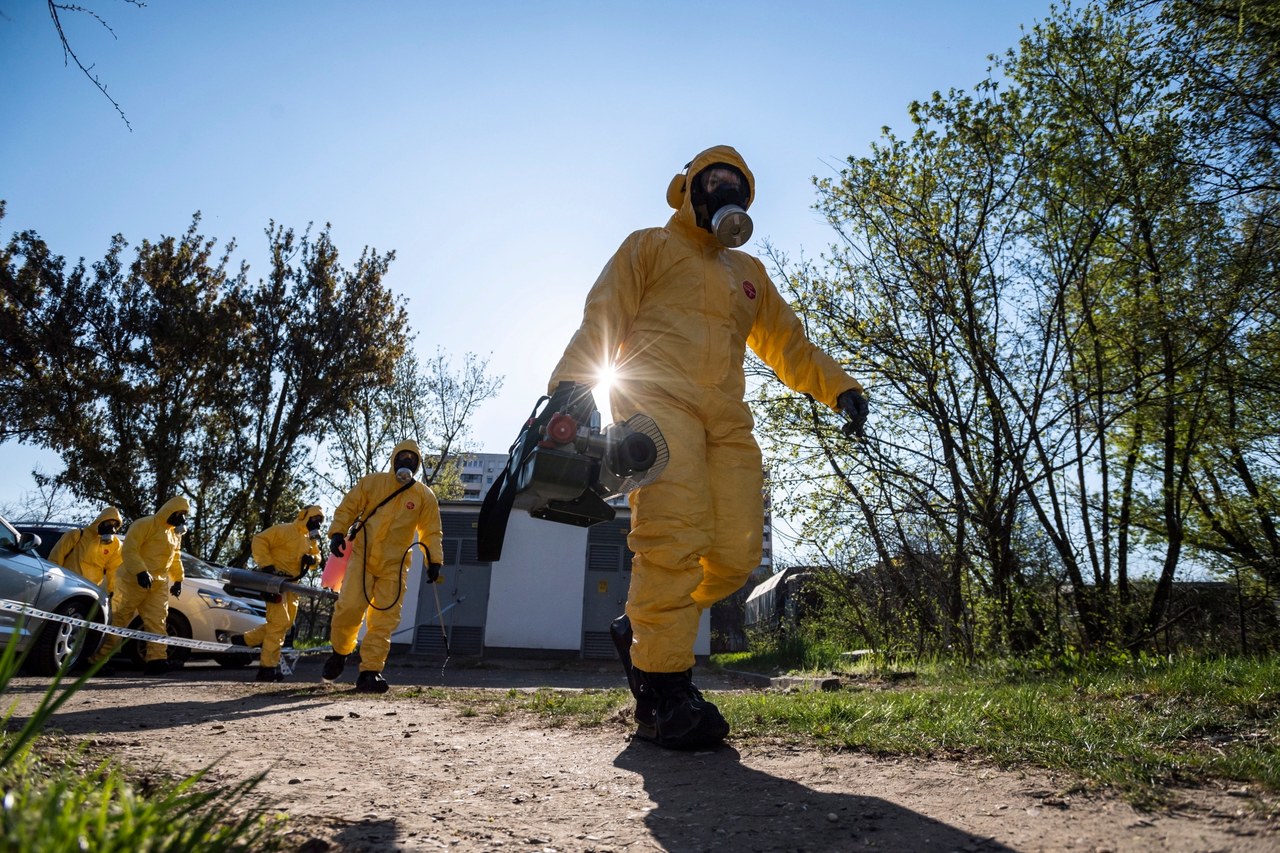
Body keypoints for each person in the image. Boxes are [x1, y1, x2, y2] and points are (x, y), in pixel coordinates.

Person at [548, 145, 868, 750]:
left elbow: (791, 348)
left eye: (738, 186)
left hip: (726, 418)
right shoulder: (648, 246)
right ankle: (663, 690)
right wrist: (572, 385)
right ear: (689, 189)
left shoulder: (749, 275)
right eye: (715, 180)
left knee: (738, 550)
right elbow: (604, 315)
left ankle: (641, 628)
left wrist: (840, 388)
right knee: (674, 536)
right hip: (652, 402)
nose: (727, 192)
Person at [323, 439, 444, 693]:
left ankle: (370, 672)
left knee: (384, 620)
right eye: (403, 456)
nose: (407, 461)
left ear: (418, 464)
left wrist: (434, 560)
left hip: (395, 565)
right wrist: (337, 533)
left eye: (413, 458)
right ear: (394, 458)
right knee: (350, 607)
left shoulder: (424, 496)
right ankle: (340, 652)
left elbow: (431, 531)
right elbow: (348, 507)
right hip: (362, 558)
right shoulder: (373, 483)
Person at [89, 495, 191, 675]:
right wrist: (140, 571)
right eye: (180, 513)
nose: (183, 518)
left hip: (157, 584)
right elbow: (130, 549)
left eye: (185, 514)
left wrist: (179, 579)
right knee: (118, 619)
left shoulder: (174, 535)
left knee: (158, 621)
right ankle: (96, 661)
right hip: (131, 581)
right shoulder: (145, 524)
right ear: (170, 511)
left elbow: (175, 557)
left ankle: (156, 660)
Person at [231, 505, 324, 682]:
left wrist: (313, 560)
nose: (317, 523)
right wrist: (267, 565)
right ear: (304, 516)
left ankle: (247, 639)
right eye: (315, 518)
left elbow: (317, 558)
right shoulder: (284, 530)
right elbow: (260, 539)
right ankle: (267, 668)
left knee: (285, 624)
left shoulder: (310, 540)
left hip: (292, 586)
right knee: (278, 623)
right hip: (275, 583)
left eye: (320, 520)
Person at [49, 506, 124, 596]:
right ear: (100, 522)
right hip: (66, 584)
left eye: (115, 525)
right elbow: (56, 557)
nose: (112, 528)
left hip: (90, 590)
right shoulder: (77, 535)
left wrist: (113, 591)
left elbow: (115, 569)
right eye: (108, 523)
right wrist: (53, 579)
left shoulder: (115, 545)